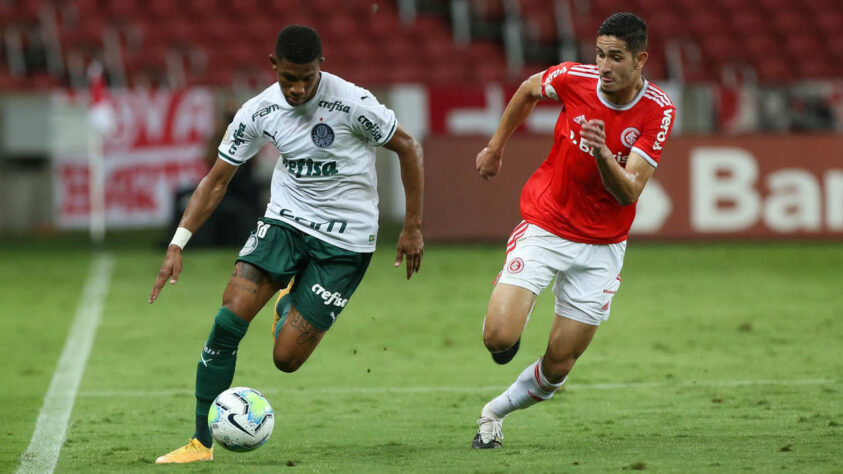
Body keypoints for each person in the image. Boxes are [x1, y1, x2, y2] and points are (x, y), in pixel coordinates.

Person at [149, 25, 424, 463]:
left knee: (286, 359)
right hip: (285, 222)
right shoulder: (259, 111)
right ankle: (201, 442)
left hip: (347, 240)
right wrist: (178, 242)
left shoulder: (353, 103)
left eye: (308, 78)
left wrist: (411, 226)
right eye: (289, 78)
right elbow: (217, 180)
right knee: (227, 322)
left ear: (321, 67)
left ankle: (288, 302)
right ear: (273, 66)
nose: (298, 88)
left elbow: (408, 147)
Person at [471, 12, 675, 449]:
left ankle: (493, 413)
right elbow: (528, 89)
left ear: (640, 59)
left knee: (560, 365)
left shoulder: (658, 110)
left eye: (615, 57)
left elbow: (629, 192)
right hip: (547, 224)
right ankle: (516, 307)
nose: (603, 65)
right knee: (498, 338)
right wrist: (495, 147)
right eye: (599, 54)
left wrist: (603, 154)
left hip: (602, 247)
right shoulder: (572, 78)